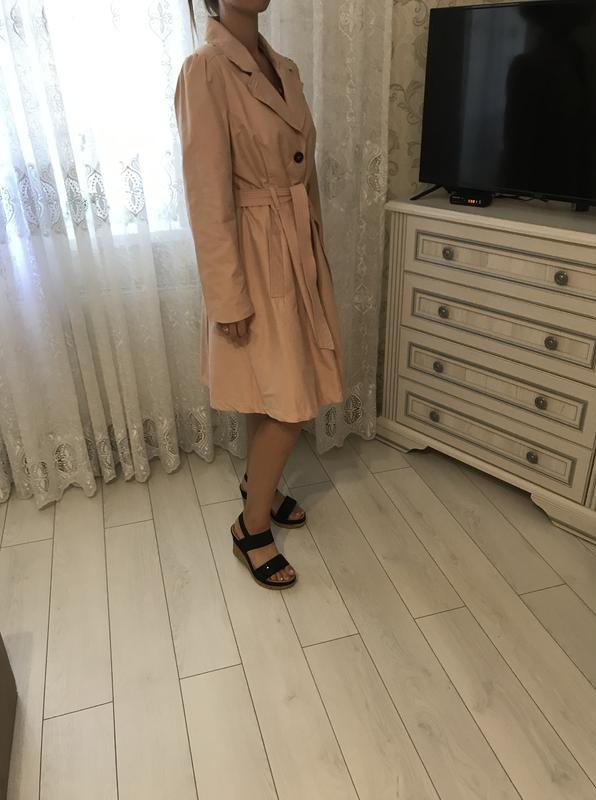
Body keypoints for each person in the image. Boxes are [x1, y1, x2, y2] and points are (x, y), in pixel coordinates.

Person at [174, 0, 344, 589]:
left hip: (295, 249)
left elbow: (305, 171)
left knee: (270, 391)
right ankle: (250, 528)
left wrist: (315, 250)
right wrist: (226, 298)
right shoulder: (205, 70)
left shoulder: (284, 67)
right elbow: (206, 196)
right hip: (252, 254)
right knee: (290, 401)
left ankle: (259, 488)